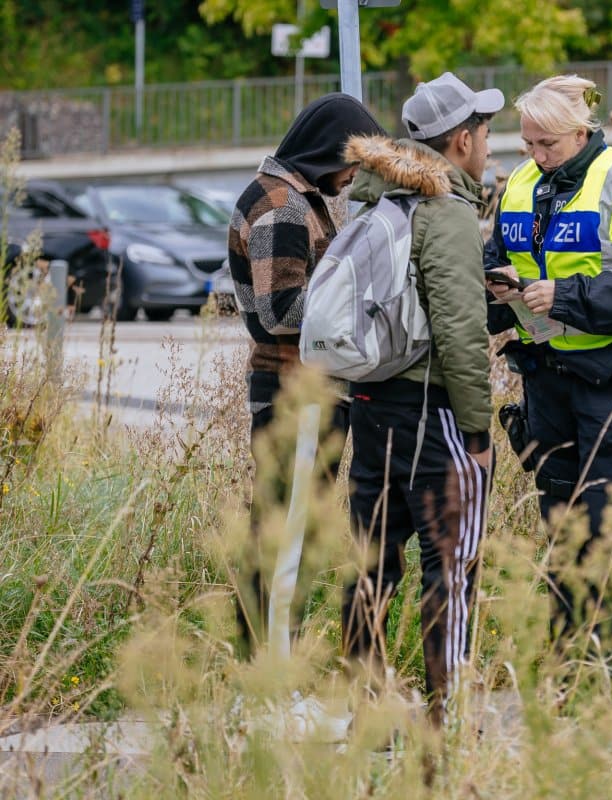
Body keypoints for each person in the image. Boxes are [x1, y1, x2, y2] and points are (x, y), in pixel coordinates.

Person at [484, 74, 612, 707]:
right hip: (549, 382)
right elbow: (499, 256)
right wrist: (499, 293)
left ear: (580, 131)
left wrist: (566, 296)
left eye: (546, 143)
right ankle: (573, 677)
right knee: (565, 532)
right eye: (527, 143)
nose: (536, 155)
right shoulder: (520, 184)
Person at [340, 73, 501, 722]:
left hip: (371, 406)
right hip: (432, 410)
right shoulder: (447, 213)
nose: (489, 143)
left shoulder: (376, 202)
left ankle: (366, 707)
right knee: (451, 565)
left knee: (372, 563)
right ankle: (446, 711)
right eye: (485, 132)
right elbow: (462, 333)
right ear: (461, 141)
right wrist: (480, 431)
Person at [228, 92, 386, 656]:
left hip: (303, 389)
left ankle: (266, 671)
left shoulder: (298, 198)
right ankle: (267, 677)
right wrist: (363, 307)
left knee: (288, 528)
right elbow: (281, 310)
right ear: (327, 152)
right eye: (352, 164)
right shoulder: (282, 207)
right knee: (284, 534)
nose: (351, 178)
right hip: (293, 391)